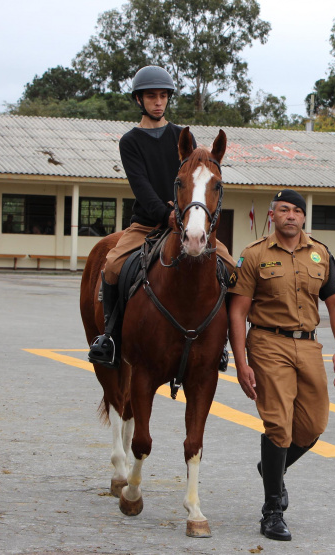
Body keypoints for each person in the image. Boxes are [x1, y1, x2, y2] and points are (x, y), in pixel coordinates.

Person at [87, 65, 234, 369]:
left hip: (184, 222)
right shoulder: (130, 141)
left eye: (163, 96)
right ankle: (111, 337)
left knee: (231, 267)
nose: (158, 102)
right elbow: (140, 186)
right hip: (146, 223)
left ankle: (221, 341)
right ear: (139, 100)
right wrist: (165, 213)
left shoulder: (182, 137)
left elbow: (192, 182)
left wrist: (182, 215)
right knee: (113, 266)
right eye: (151, 96)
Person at [228, 189, 335, 542]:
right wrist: (240, 361)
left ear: (304, 218)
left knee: (313, 425)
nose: (291, 216)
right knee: (278, 424)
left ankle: (270, 468)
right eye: (284, 210)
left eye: (297, 211)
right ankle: (272, 512)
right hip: (267, 343)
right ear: (273, 215)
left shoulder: (320, 254)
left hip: (308, 345)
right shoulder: (254, 255)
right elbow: (237, 311)